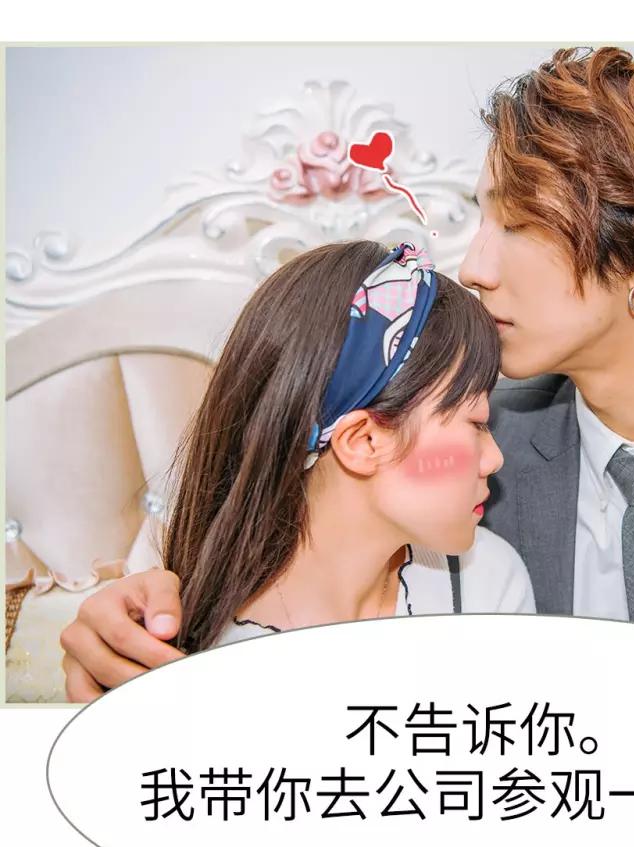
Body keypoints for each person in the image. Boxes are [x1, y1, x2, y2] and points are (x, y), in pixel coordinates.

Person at [61, 47, 634, 702]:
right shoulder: (458, 457)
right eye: (480, 219)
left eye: (516, 222)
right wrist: (134, 607)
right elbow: (275, 514)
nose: (475, 266)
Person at [60, 239, 533, 690]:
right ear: (363, 441)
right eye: (476, 423)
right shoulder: (178, 638)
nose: (494, 459)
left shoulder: (483, 581)